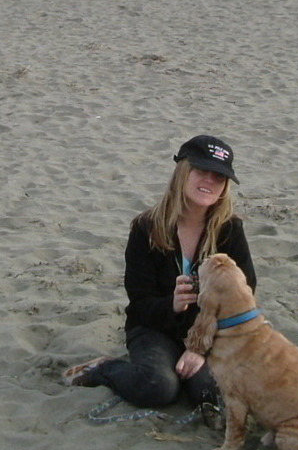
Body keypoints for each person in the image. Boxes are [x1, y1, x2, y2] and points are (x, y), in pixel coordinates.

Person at [63, 135, 256, 412]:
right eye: (201, 170)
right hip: (155, 329)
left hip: (213, 333)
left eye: (219, 176)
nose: (210, 181)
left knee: (209, 392)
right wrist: (172, 304)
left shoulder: (230, 230)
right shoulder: (146, 228)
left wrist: (199, 348)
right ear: (182, 172)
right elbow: (139, 304)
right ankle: (104, 369)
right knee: (158, 386)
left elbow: (246, 296)